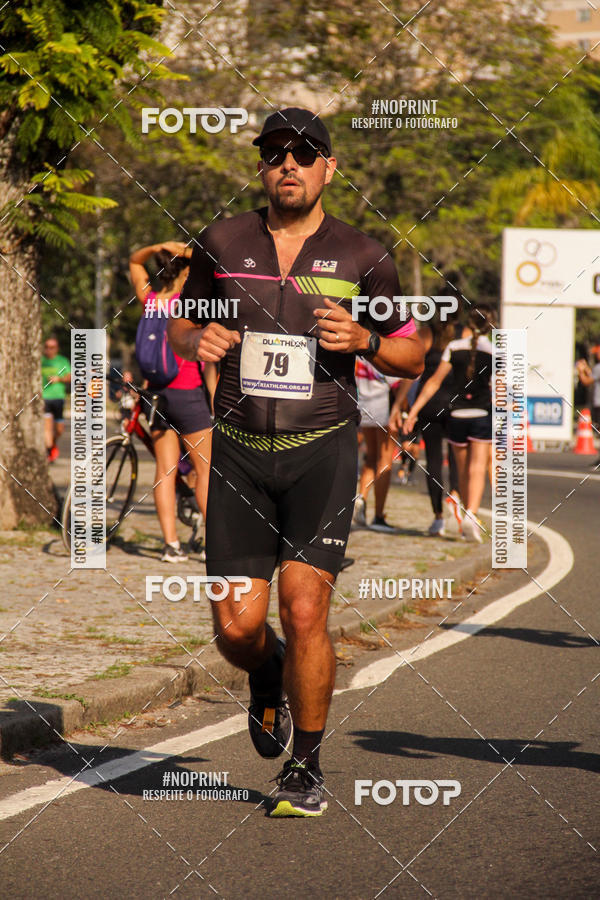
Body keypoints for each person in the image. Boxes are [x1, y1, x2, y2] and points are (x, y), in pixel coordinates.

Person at [168, 107, 424, 817]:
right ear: (262, 165)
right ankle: (269, 671)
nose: (290, 163)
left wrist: (367, 340)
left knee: (306, 606)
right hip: (240, 453)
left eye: (305, 153)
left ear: (328, 168)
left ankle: (306, 767)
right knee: (237, 631)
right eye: (277, 152)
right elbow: (181, 323)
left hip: (322, 449)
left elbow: (413, 350)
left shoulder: (363, 256)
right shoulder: (221, 241)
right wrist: (199, 342)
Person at [129, 240, 216, 562]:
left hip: (155, 394)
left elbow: (134, 262)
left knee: (165, 470)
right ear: (186, 270)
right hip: (186, 393)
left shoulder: (150, 298)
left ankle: (171, 546)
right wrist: (189, 252)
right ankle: (214, 544)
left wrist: (154, 247)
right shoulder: (188, 303)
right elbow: (216, 265)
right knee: (205, 471)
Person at [403, 304, 496, 543]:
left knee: (455, 467)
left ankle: (445, 515)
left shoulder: (453, 348)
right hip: (481, 415)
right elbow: (500, 389)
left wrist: (413, 410)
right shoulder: (494, 351)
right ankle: (470, 515)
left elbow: (432, 381)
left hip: (455, 415)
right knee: (475, 469)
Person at [390, 316, 462, 536]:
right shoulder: (466, 333)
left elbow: (410, 373)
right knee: (458, 458)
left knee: (433, 460)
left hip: (429, 403)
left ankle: (438, 518)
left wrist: (400, 406)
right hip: (457, 403)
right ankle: (458, 503)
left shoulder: (425, 334)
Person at [352, 357, 402, 532]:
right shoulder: (382, 350)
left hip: (364, 407)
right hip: (384, 409)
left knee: (370, 458)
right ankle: (378, 516)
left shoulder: (361, 353)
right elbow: (397, 383)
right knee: (384, 461)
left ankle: (361, 499)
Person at [41, 336, 71, 462]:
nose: (49, 350)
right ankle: (49, 452)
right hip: (44, 397)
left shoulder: (62, 361)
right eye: (47, 347)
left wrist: (58, 379)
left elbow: (70, 377)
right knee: (47, 427)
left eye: (52, 347)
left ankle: (52, 444)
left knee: (59, 429)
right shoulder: (40, 361)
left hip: (58, 398)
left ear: (57, 349)